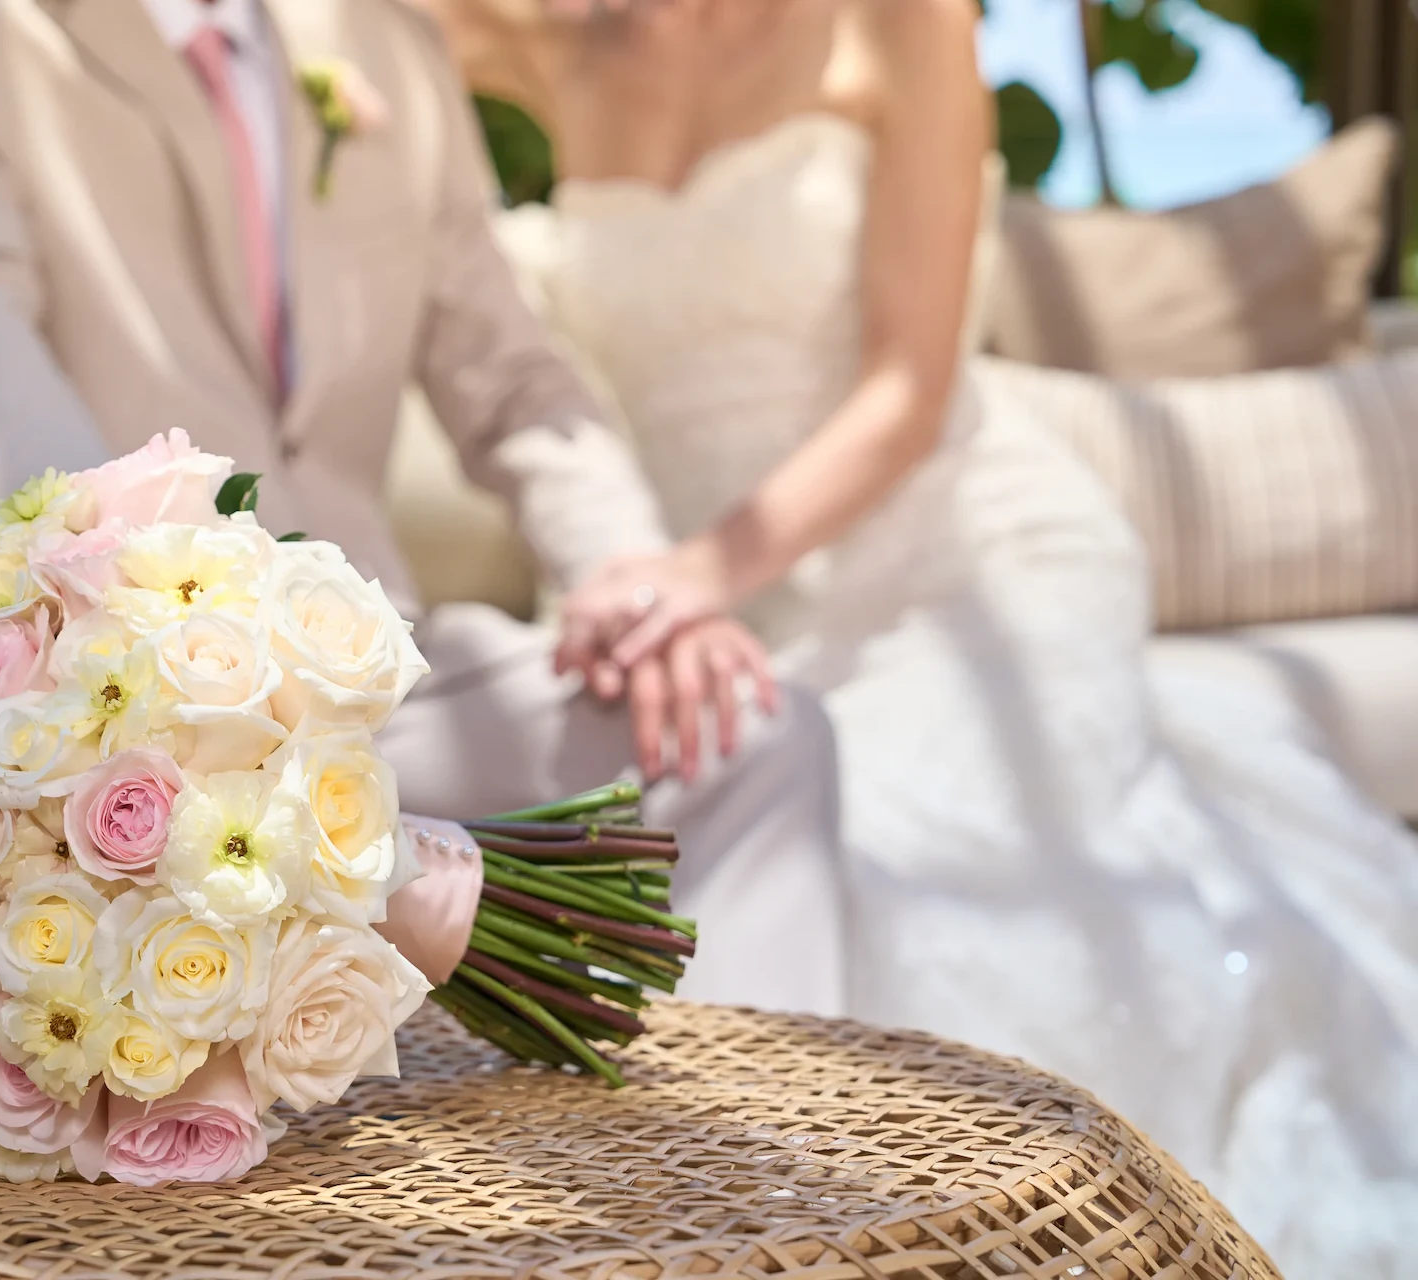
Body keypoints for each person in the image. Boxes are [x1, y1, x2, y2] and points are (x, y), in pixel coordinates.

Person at [410, 0, 1418, 1275]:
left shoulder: (903, 22)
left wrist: (692, 576)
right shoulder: (543, 38)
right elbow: (300, 56)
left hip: (953, 559)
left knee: (884, 861)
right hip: (704, 610)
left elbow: (907, 389)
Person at [0, 0, 845, 1014]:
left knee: (747, 730)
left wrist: (631, 575)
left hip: (358, 675)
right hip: (69, 687)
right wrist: (129, 594)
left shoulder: (388, 40)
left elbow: (509, 373)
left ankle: (744, 1159)